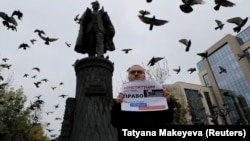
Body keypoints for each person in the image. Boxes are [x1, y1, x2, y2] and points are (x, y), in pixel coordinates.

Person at [110, 64, 174, 141]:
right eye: (132, 72)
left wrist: (167, 102)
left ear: (144, 76)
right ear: (128, 77)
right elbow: (115, 122)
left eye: (139, 72)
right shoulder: (121, 100)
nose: (136, 74)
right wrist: (118, 104)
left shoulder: (158, 96)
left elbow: (167, 119)